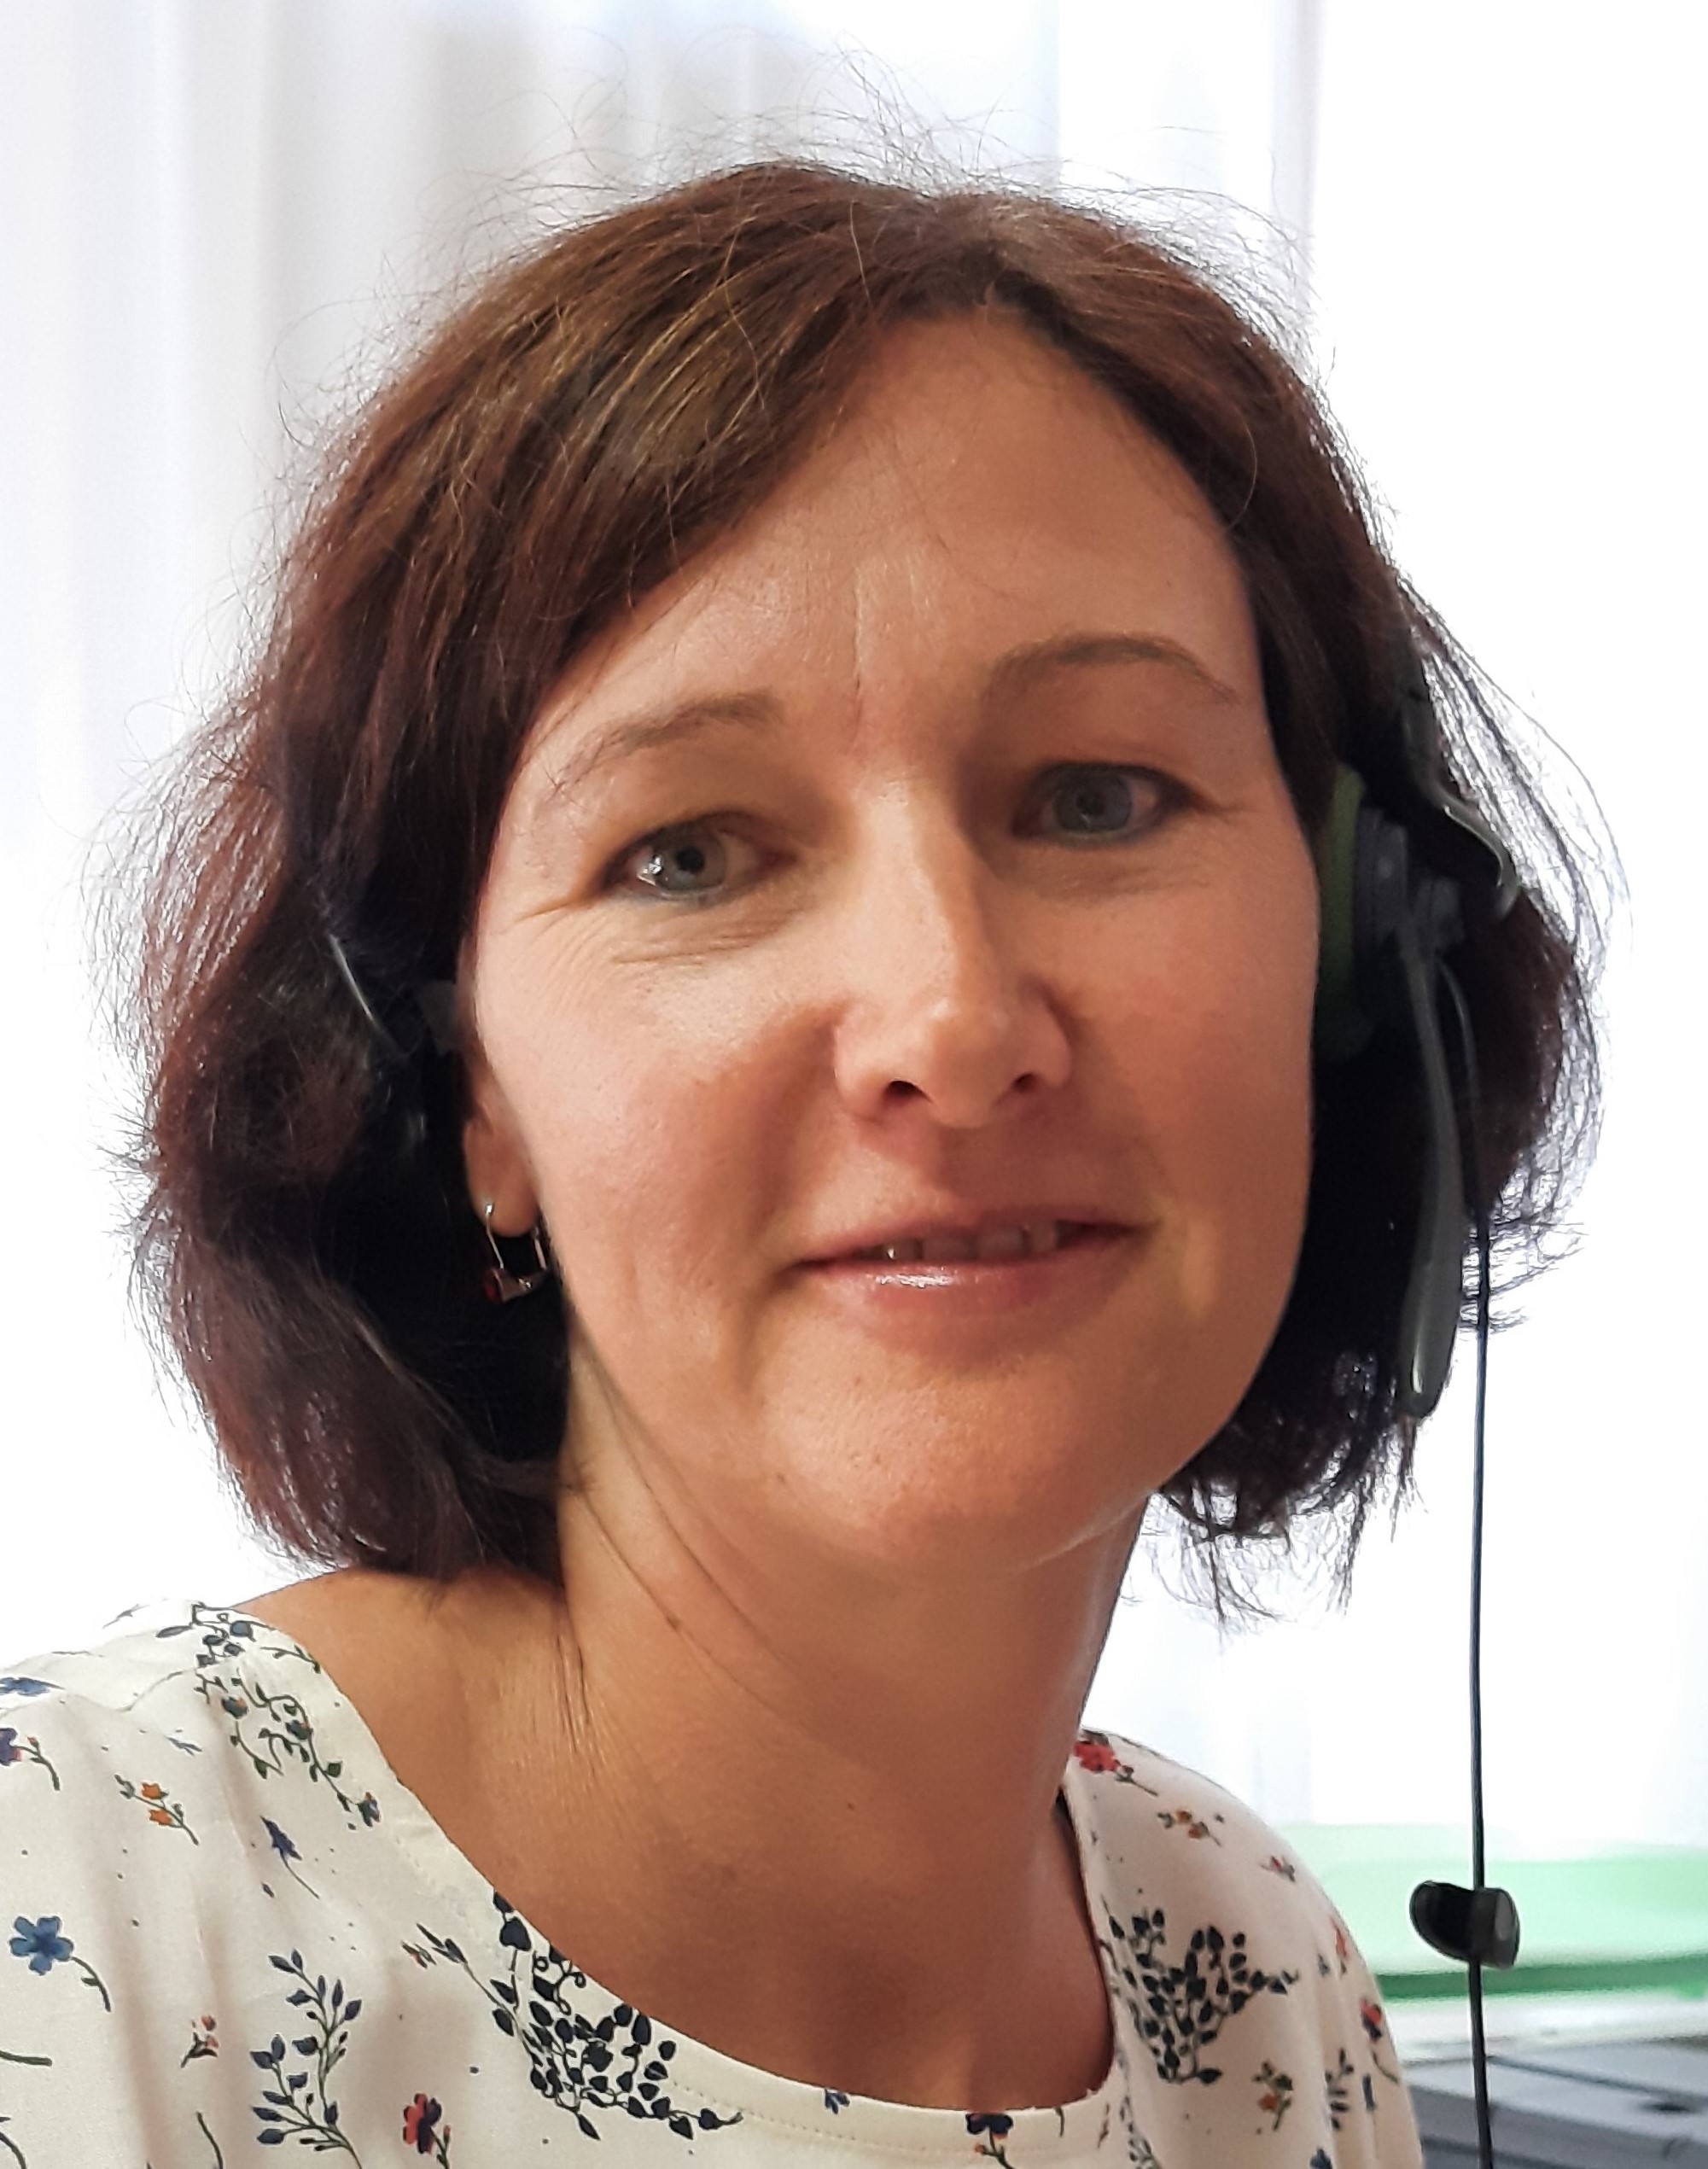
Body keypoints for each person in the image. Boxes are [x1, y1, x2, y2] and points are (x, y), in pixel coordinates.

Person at [0, 160, 1598, 2167]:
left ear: (1357, 962)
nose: (950, 1018)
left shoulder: (1255, 1975)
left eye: (1095, 797)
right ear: (464, 1090)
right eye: (686, 853)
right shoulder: (80, 1938)